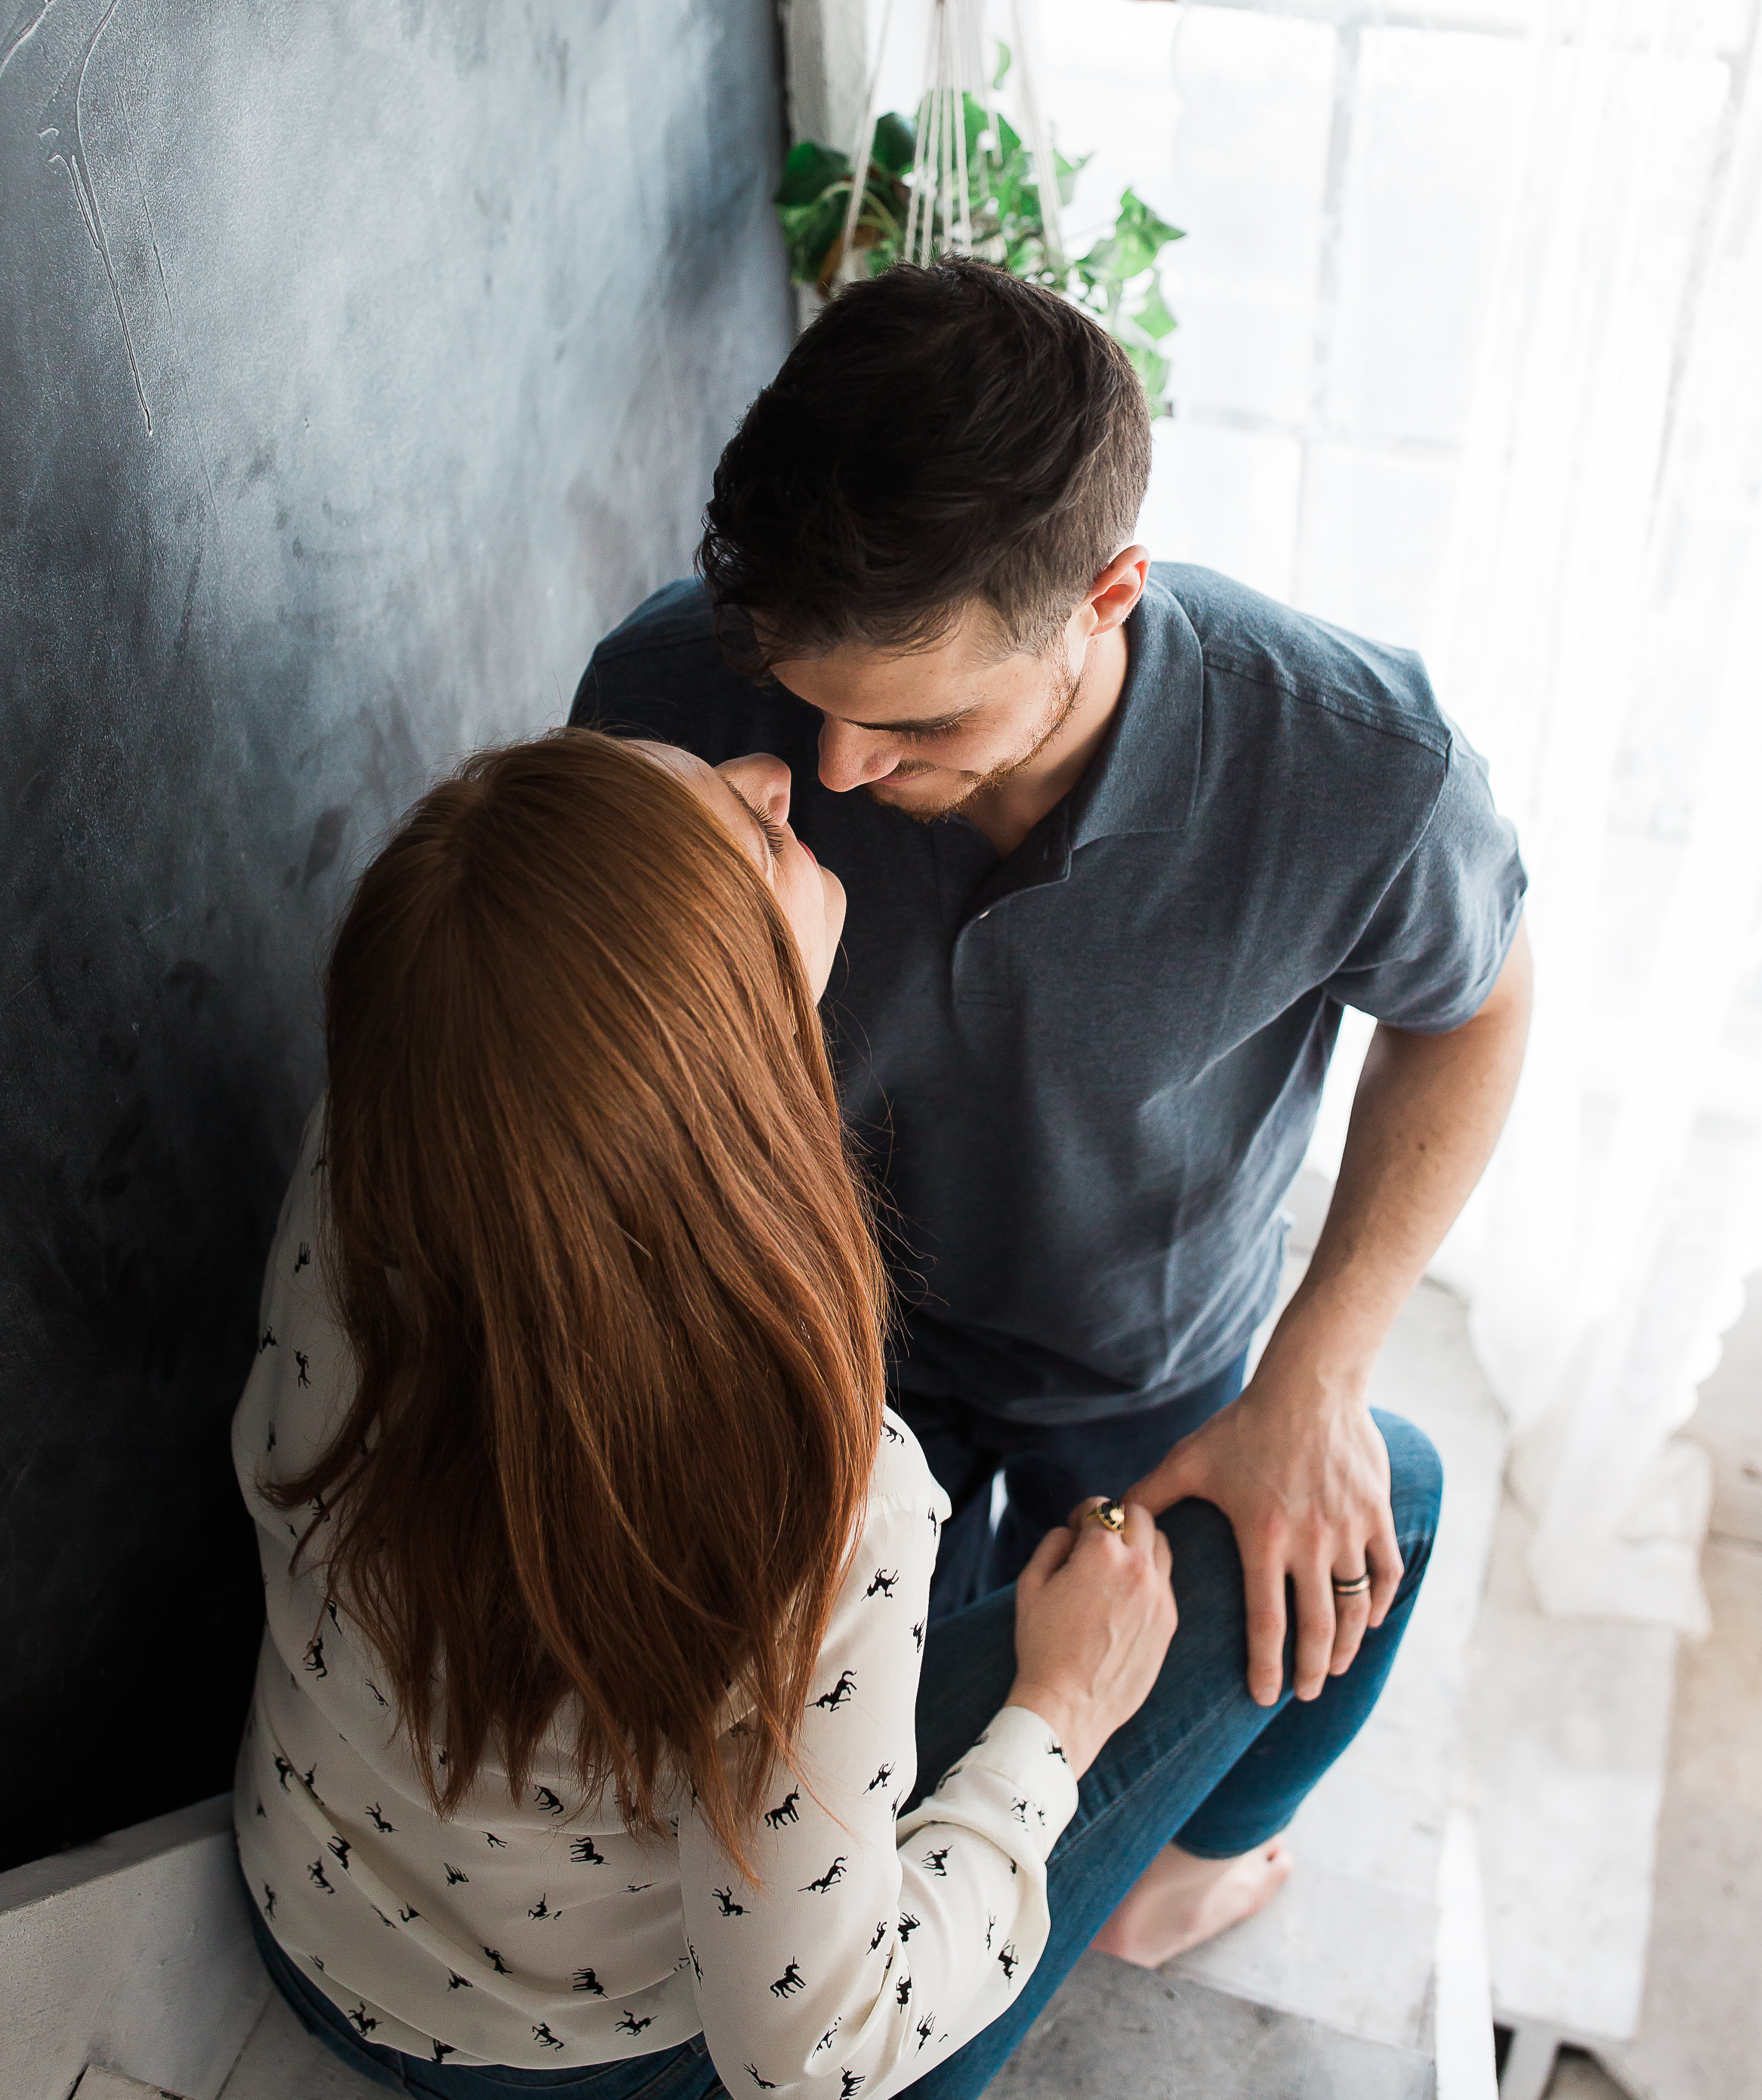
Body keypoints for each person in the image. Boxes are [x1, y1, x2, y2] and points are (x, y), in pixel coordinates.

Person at [233, 727, 1443, 2098]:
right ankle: (1157, 1896)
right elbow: (813, 2057)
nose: (770, 771)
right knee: (1392, 1486)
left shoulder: (390, 1134)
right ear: (708, 1041)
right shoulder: (825, 1494)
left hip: (308, 1912)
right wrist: (1061, 1717)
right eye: (739, 839)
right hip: (596, 2068)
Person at [573, 259, 1530, 1964]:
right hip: (825, 1364)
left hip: (1149, 1359)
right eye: (808, 697)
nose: (839, 769)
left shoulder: (1364, 763)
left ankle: (1199, 1873)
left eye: (919, 716)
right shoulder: (664, 703)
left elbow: (1476, 1009)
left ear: (1110, 593)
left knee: (1265, 1626)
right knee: (861, 1791)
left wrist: (1321, 1365)